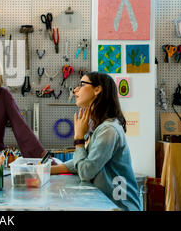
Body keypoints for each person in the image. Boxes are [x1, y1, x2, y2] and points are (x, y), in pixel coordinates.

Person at [51, 71, 141, 211]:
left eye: (81, 85)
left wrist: (79, 139)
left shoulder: (108, 130)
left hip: (120, 207)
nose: (75, 90)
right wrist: (45, 170)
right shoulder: (99, 127)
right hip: (106, 205)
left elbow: (86, 171)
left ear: (97, 89)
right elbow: (83, 161)